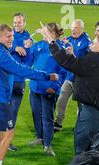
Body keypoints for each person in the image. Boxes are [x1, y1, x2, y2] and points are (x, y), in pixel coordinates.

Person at [0, 24, 57, 165]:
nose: (11, 39)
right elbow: (22, 70)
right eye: (8, 36)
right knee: (8, 132)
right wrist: (47, 76)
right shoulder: (1, 54)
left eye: (12, 36)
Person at [27, 23, 66, 157]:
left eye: (46, 31)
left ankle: (48, 145)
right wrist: (27, 48)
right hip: (34, 87)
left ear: (53, 34)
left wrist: (55, 87)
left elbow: (63, 72)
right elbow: (27, 63)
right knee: (36, 113)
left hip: (49, 88)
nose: (43, 33)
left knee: (47, 117)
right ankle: (40, 138)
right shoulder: (37, 45)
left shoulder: (60, 48)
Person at [53, 19, 91, 132]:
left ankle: (80, 125)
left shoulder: (87, 42)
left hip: (81, 79)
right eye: (72, 27)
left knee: (81, 105)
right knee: (61, 100)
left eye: (76, 28)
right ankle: (58, 122)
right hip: (69, 77)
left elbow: (83, 61)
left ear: (81, 29)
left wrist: (72, 53)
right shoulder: (68, 39)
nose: (73, 30)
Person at [9, 12, 33, 152]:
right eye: (15, 22)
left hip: (18, 80)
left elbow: (29, 64)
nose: (16, 25)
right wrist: (14, 48)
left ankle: (8, 141)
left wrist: (28, 49)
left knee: (12, 111)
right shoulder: (8, 35)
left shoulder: (28, 39)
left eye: (19, 22)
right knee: (1, 109)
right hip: (4, 79)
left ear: (24, 23)